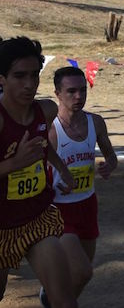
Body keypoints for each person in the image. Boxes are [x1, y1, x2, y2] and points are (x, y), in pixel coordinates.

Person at [0, 36, 78, 308]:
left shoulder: (45, 110)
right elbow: (21, 159)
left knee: (65, 300)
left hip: (36, 217)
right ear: (2, 79)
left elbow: (42, 145)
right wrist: (13, 164)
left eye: (34, 75)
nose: (30, 84)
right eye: (19, 76)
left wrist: (60, 167)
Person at [39, 66, 117, 307]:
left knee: (81, 275)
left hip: (87, 205)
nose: (78, 96)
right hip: (58, 212)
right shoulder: (50, 130)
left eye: (83, 90)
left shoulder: (96, 122)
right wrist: (52, 184)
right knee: (83, 272)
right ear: (57, 94)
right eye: (71, 91)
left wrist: (108, 166)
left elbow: (111, 157)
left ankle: (52, 298)